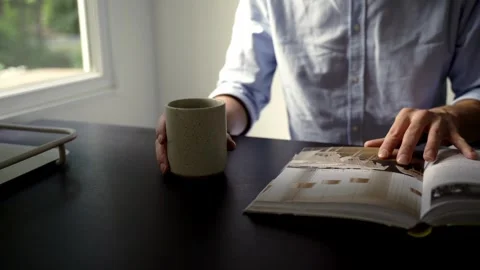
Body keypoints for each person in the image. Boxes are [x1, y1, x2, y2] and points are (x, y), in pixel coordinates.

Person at [156, 0, 480, 174]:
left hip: (416, 175)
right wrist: (208, 122)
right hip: (308, 175)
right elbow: (242, 88)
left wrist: (449, 115)